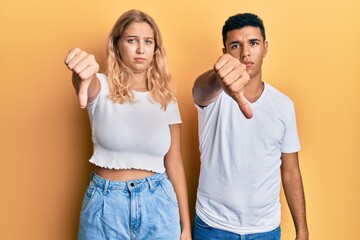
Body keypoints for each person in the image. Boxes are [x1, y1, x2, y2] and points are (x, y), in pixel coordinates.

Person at [64, 9, 191, 240]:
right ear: (117, 45)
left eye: (148, 42)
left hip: (159, 204)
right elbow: (86, 81)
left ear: (155, 49)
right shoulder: (101, 86)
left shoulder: (166, 99)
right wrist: (81, 73)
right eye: (132, 40)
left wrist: (186, 227)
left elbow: (175, 164)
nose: (141, 49)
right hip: (105, 206)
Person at [192, 13, 309, 239]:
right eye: (235, 45)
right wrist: (219, 78)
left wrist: (302, 230)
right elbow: (199, 91)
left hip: (265, 230)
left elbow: (291, 171)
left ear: (265, 47)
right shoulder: (213, 95)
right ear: (225, 53)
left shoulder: (283, 105)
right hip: (212, 226)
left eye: (253, 43)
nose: (245, 53)